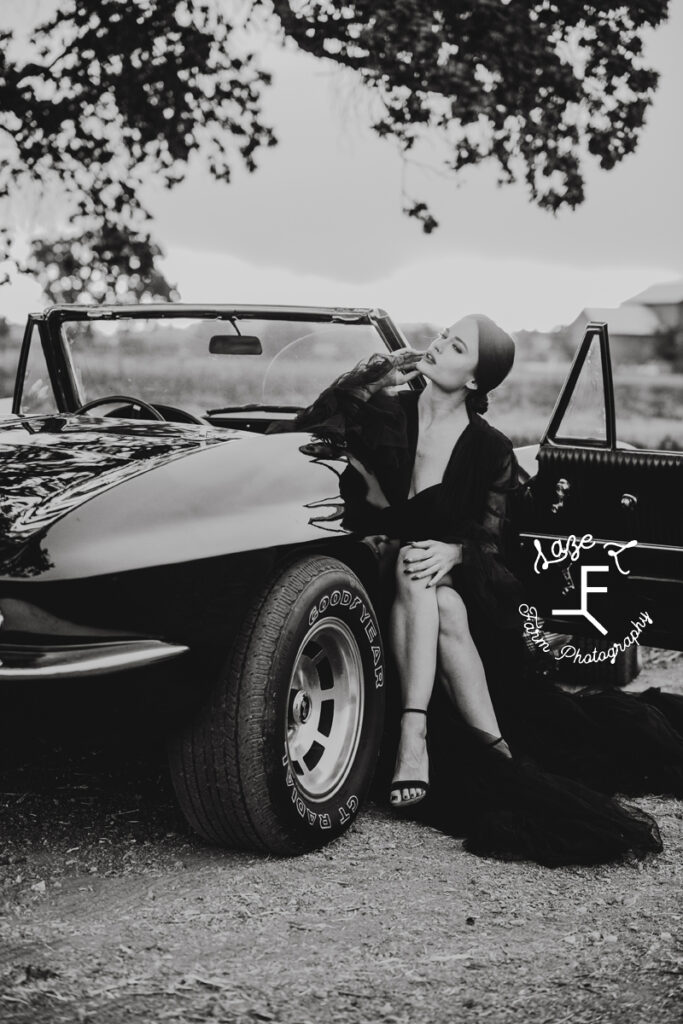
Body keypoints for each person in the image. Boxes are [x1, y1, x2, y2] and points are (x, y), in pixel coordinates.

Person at [294, 315, 683, 866]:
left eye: (456, 347)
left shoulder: (489, 449)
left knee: (434, 584)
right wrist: (378, 371)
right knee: (419, 575)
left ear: (476, 381)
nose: (437, 346)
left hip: (448, 584)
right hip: (368, 580)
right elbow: (309, 428)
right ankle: (490, 746)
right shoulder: (387, 412)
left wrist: (455, 552)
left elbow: (496, 543)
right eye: (443, 336)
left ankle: (420, 736)